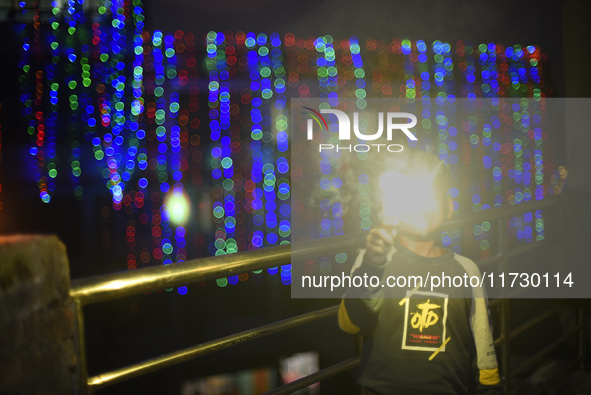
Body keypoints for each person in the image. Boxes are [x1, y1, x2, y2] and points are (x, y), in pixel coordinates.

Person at [338, 150, 502, 395]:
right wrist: (372, 266)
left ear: (449, 207)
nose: (421, 207)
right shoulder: (373, 260)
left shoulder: (467, 270)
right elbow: (351, 323)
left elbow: (483, 344)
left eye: (431, 195)